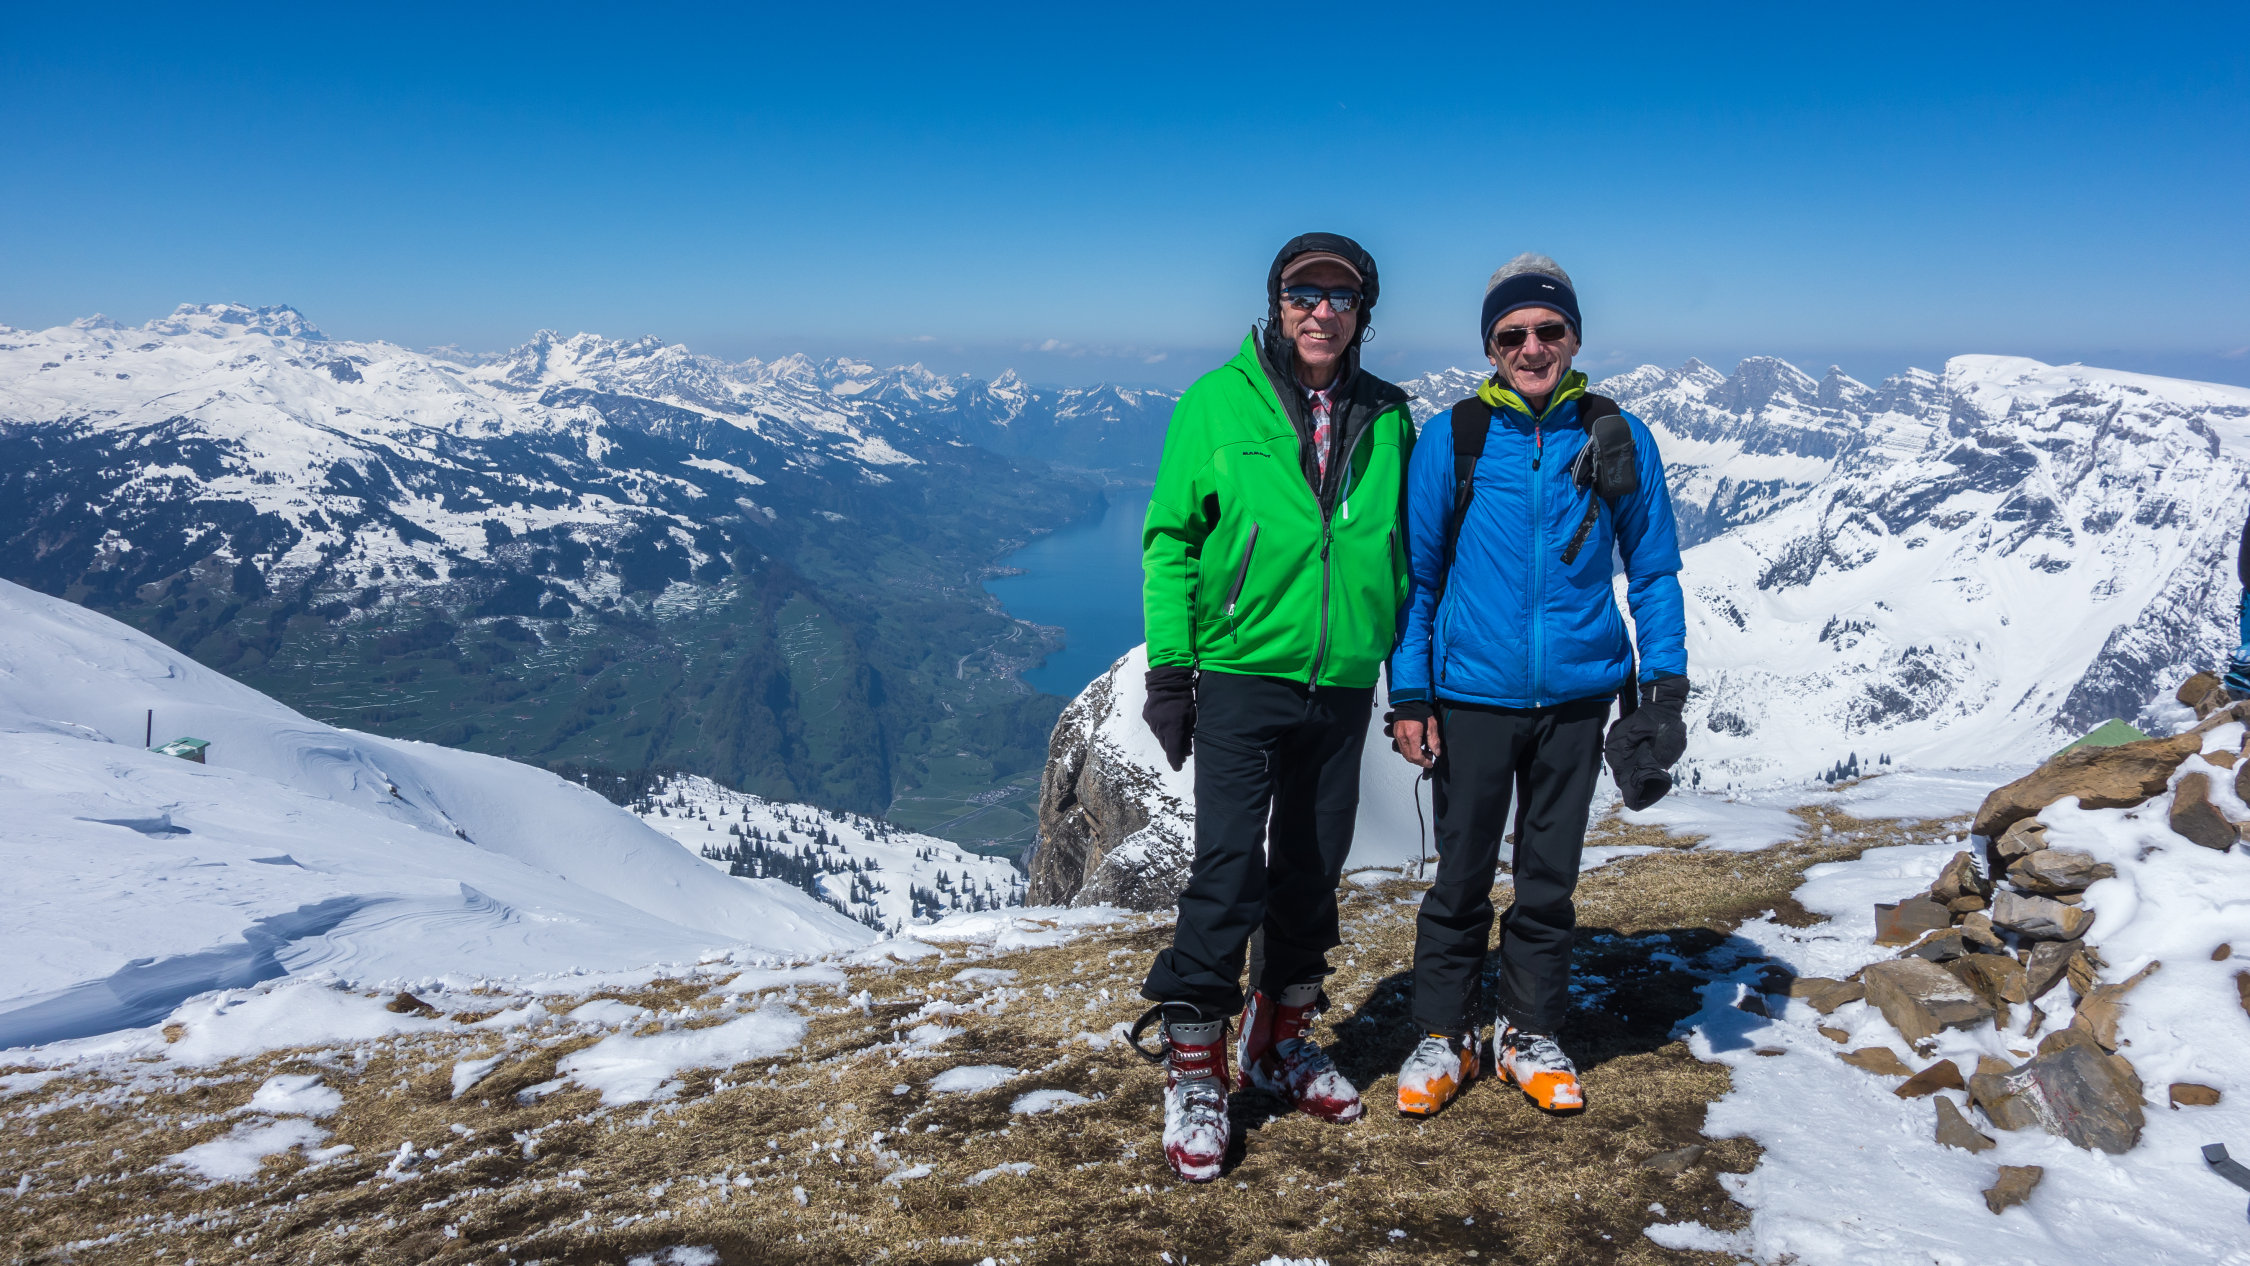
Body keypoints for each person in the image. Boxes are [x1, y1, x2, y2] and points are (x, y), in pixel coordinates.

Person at [1130, 232, 1415, 1182]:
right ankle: (1196, 1062)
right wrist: (1172, 673)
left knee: (1313, 863)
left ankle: (1278, 1038)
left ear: (1363, 313)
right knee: (1227, 867)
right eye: (1304, 293)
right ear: (1276, 302)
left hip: (1342, 678)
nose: (1321, 311)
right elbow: (1172, 541)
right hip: (1245, 671)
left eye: (1341, 296)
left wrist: (1408, 678)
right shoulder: (1216, 403)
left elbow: (1403, 554)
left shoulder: (1391, 417)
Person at [1385, 254, 1689, 1117]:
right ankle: (1445, 1035)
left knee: (1548, 877)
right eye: (1512, 334)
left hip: (1577, 696)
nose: (1531, 347)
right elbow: (1418, 579)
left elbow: (1653, 570)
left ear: (1574, 338)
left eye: (1549, 330)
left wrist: (1664, 687)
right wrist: (1411, 696)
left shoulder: (1615, 434)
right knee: (1461, 875)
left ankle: (1526, 1032)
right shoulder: (1455, 437)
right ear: (1491, 347)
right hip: (1473, 695)